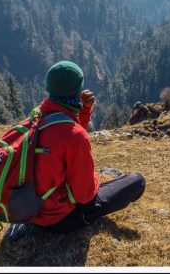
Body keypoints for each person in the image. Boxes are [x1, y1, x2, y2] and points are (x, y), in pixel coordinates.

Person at [32, 60, 145, 233]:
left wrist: (84, 111)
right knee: (137, 181)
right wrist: (94, 178)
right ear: (77, 90)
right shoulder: (75, 136)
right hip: (58, 219)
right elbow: (84, 196)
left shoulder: (37, 116)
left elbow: (64, 133)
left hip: (30, 209)